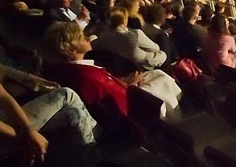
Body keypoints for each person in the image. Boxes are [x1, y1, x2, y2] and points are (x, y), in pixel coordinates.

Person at [0, 30, 97, 166]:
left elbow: (1, 96)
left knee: (74, 113)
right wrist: (27, 134)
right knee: (66, 94)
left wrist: (33, 80)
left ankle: (94, 155)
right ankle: (96, 158)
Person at [47, 22, 183, 123]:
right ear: (71, 48)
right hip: (133, 108)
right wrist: (131, 85)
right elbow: (117, 103)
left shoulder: (72, 69)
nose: (87, 38)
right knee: (162, 81)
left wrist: (124, 81)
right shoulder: (87, 76)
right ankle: (175, 121)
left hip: (125, 89)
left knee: (157, 74)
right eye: (82, 38)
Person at [93, 7, 167, 70]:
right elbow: (155, 49)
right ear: (124, 20)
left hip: (113, 69)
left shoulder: (102, 36)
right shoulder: (135, 35)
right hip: (138, 69)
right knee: (163, 53)